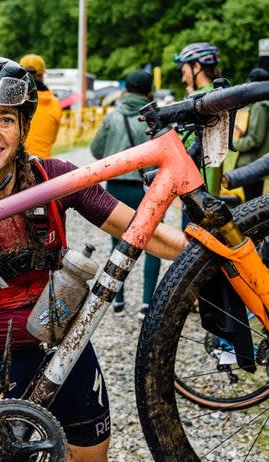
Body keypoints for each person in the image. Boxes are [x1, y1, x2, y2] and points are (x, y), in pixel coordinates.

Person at [0, 56, 187, 461]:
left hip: (68, 350)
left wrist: (212, 260)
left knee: (92, 456)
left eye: (6, 119)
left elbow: (141, 230)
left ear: (24, 127)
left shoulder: (57, 179)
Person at [91, 70, 161, 317]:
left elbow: (96, 150)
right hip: (149, 188)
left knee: (117, 243)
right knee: (154, 243)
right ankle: (147, 303)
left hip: (116, 187)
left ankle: (117, 300)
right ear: (148, 90)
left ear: (126, 89)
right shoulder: (154, 118)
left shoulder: (113, 117)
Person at [174, 42, 222, 197]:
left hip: (197, 186)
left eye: (184, 71)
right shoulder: (217, 94)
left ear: (196, 67)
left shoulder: (202, 100)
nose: (183, 78)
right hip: (208, 183)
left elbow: (186, 143)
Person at [232, 68, 269, 201]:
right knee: (256, 201)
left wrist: (234, 144)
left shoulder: (260, 106)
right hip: (260, 162)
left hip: (252, 163)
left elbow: (255, 139)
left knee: (251, 203)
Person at [19, 54, 62, 158]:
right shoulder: (55, 103)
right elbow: (53, 140)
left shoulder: (14, 100)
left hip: (17, 165)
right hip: (43, 166)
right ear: (42, 75)